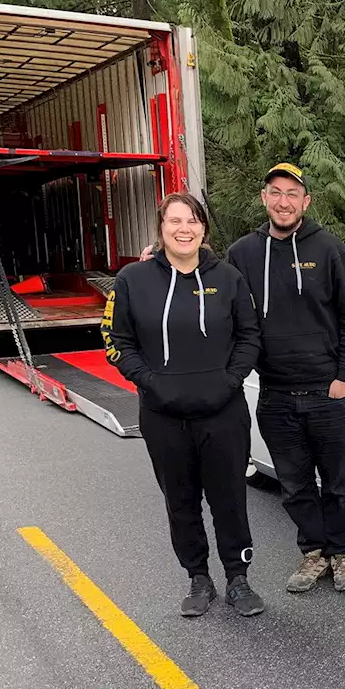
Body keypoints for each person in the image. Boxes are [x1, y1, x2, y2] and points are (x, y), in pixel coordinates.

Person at [102, 192, 266, 617]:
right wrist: (150, 383)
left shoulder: (228, 279)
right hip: (163, 415)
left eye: (192, 221)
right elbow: (116, 341)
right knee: (181, 500)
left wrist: (231, 381)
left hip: (223, 412)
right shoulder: (132, 280)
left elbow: (250, 337)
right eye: (174, 221)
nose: (184, 229)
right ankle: (198, 577)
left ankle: (238, 579)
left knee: (229, 498)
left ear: (203, 229)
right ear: (161, 229)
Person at [225, 163, 345, 594]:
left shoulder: (329, 249)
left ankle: (344, 555)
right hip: (276, 394)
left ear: (305, 202)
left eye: (292, 193)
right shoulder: (242, 254)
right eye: (275, 192)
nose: (283, 201)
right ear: (264, 197)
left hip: (328, 391)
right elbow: (219, 304)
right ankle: (314, 553)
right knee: (294, 485)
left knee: (339, 483)